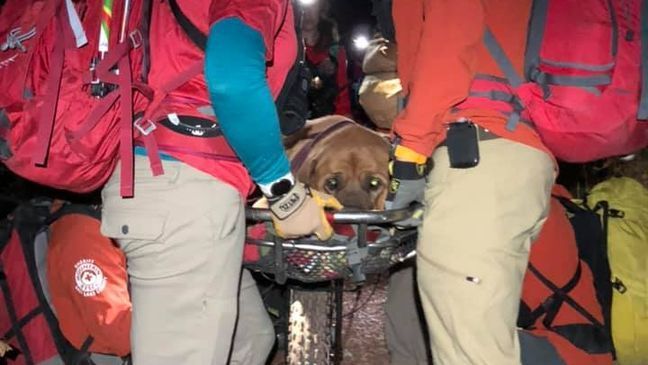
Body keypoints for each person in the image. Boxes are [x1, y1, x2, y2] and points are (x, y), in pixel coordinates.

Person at [100, 1, 342, 364]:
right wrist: (282, 189)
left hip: (168, 181)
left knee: (251, 340)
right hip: (186, 191)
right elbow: (232, 78)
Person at [386, 1, 556, 364]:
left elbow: (449, 41)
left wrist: (411, 152)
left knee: (472, 353)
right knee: (478, 339)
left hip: (477, 160)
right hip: (514, 156)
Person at [302, 0, 352, 118]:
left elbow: (342, 94)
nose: (308, 13)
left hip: (325, 124)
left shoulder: (335, 51)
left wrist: (344, 121)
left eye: (313, 6)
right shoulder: (285, 46)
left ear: (321, 8)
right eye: (303, 7)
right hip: (291, 125)